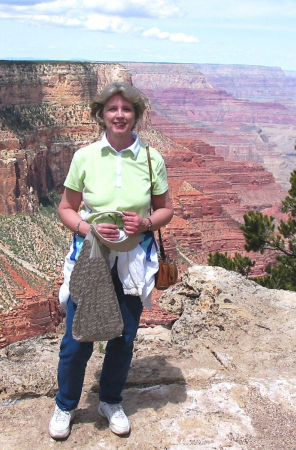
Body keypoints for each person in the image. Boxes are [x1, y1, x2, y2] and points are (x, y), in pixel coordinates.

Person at [49, 82, 174, 439]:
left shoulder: (152, 158)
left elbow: (166, 209)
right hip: (92, 257)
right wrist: (87, 228)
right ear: (101, 115)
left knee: (124, 336)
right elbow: (66, 208)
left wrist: (147, 221)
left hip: (134, 259)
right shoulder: (85, 156)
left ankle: (110, 400)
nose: (119, 115)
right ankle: (65, 404)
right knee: (78, 336)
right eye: (112, 109)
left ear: (136, 115)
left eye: (127, 110)